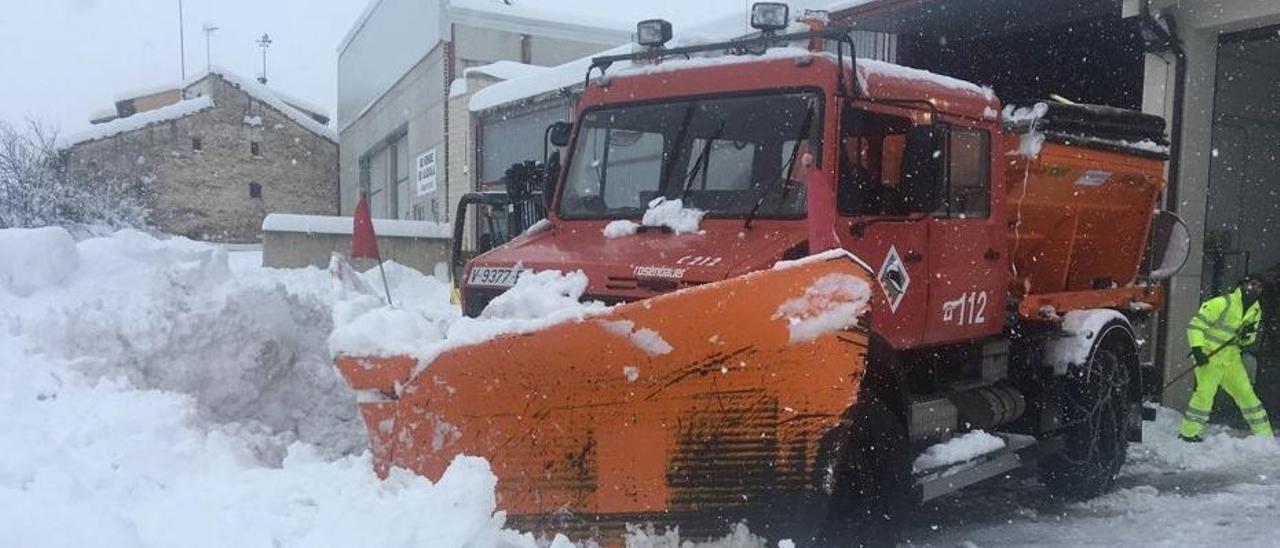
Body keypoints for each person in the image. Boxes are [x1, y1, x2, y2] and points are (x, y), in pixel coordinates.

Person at [1179, 273, 1272, 441]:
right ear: (1243, 284)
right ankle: (1188, 433)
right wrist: (1198, 350)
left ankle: (1265, 436)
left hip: (1231, 359)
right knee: (1205, 395)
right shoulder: (1222, 303)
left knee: (1247, 395)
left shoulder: (1255, 311)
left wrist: (1246, 335)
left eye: (1259, 287)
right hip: (1209, 356)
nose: (1255, 289)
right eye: (1252, 284)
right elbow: (1196, 325)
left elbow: (1247, 341)